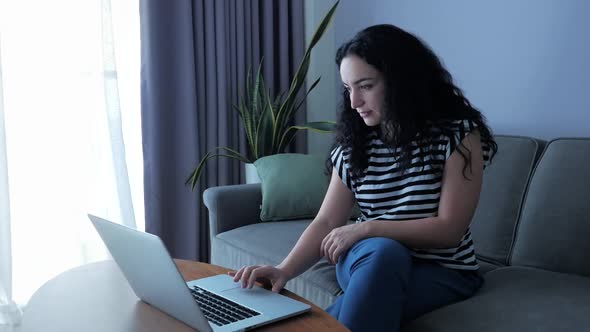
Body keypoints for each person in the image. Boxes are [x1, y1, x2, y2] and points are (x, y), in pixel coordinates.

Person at [230, 24, 498, 331]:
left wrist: (366, 228)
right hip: (369, 257)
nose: (354, 101)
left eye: (365, 86)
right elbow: (327, 222)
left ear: (401, 81)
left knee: (371, 295)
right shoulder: (354, 144)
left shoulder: (458, 136)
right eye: (348, 88)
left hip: (443, 271)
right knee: (385, 252)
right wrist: (283, 270)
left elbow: (449, 230)